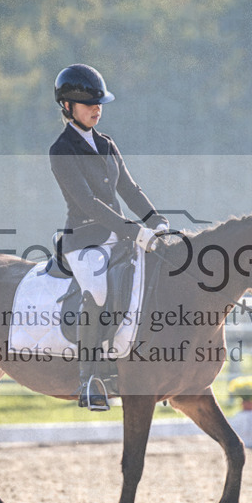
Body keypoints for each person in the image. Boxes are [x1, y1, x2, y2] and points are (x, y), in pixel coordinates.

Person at [49, 64, 168, 411]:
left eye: (99, 103)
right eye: (88, 104)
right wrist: (132, 230)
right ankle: (88, 379)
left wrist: (157, 220)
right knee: (98, 292)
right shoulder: (61, 150)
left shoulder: (106, 143)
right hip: (84, 241)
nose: (96, 109)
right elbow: (87, 202)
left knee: (151, 278)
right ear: (68, 107)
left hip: (118, 237)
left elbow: (129, 188)